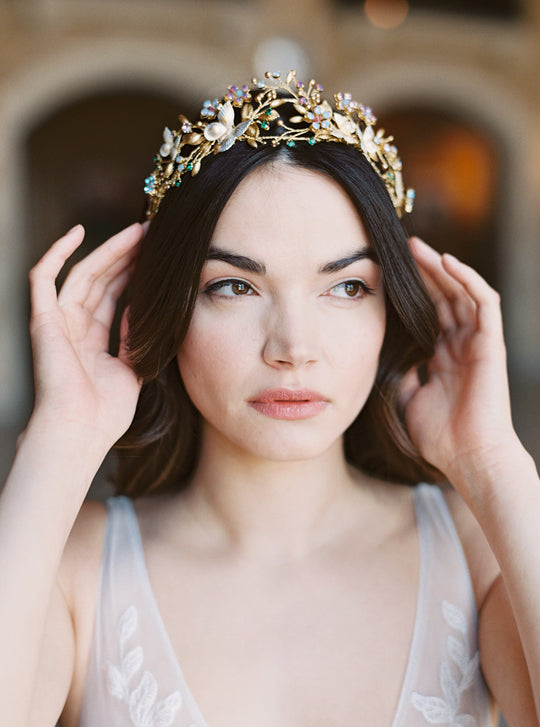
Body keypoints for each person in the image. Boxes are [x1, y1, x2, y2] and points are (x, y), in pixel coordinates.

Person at [0, 70, 538, 727]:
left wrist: (493, 466)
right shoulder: (71, 566)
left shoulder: (477, 550)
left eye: (346, 287)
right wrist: (59, 443)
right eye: (234, 286)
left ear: (392, 309)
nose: (293, 346)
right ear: (165, 309)